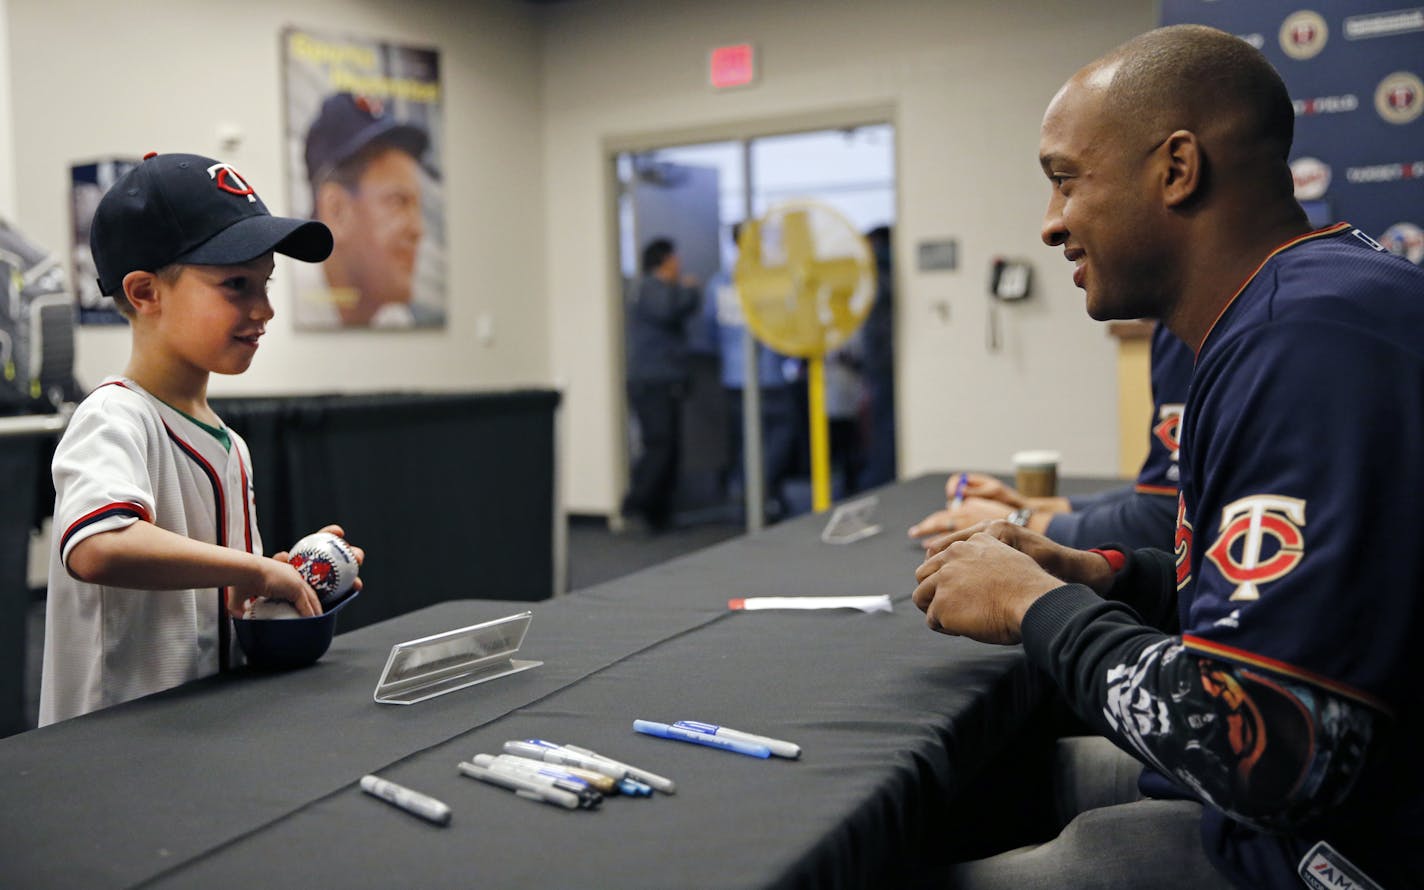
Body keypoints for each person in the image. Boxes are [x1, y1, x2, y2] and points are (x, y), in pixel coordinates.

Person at [914, 25, 1423, 889]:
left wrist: (1039, 608)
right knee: (955, 788)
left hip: (1327, 850)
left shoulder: (1304, 342)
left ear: (1177, 169)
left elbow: (1271, 752)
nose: (1050, 225)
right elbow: (1299, 600)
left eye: (1065, 181)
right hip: (1311, 818)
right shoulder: (1291, 307)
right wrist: (1111, 575)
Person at [39, 152, 363, 725]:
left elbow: (222, 593)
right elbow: (98, 547)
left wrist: (290, 580)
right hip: (108, 752)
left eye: (265, 283)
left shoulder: (231, 444)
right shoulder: (113, 416)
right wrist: (253, 569)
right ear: (144, 293)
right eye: (236, 284)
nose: (263, 309)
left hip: (197, 735)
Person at [909, 321, 1191, 551]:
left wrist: (1017, 523)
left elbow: (1162, 521)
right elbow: (1172, 493)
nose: (1054, 247)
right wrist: (1033, 506)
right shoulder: (1185, 326)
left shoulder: (1185, 333)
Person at [303, 92, 436, 328]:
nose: (418, 230)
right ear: (337, 211)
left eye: (417, 206)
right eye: (398, 202)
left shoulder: (393, 316)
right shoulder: (279, 306)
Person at [704, 222, 796, 518]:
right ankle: (761, 489)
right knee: (781, 433)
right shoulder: (770, 280)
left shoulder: (719, 282)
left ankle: (754, 492)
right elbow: (787, 324)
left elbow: (710, 329)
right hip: (770, 374)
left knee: (747, 439)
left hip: (733, 376)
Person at [621, 237, 701, 532]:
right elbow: (670, 310)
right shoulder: (651, 289)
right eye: (675, 258)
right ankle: (635, 504)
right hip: (652, 383)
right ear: (664, 261)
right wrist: (691, 291)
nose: (679, 264)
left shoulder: (657, 290)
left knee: (669, 448)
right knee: (660, 445)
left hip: (665, 382)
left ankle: (658, 513)